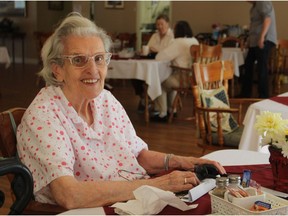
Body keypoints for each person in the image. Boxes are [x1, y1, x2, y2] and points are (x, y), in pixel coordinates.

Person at [16, 13, 225, 209]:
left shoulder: (105, 100)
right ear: (57, 69)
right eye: (79, 60)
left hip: (130, 199)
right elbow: (68, 195)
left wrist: (181, 161)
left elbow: (139, 155)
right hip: (92, 209)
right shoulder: (45, 115)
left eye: (99, 58)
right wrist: (160, 184)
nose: (93, 70)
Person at [150, 21, 199, 122]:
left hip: (184, 78)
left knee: (160, 82)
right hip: (196, 78)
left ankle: (162, 113)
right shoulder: (194, 40)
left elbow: (160, 57)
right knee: (170, 81)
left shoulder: (179, 42)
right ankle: (172, 109)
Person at [132, 14, 174, 113]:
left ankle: (152, 103)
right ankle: (143, 97)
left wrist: (157, 50)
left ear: (167, 24)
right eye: (158, 24)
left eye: (162, 24)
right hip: (152, 63)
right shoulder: (155, 35)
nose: (159, 27)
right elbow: (149, 48)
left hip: (166, 66)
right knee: (136, 75)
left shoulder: (172, 36)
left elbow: (168, 53)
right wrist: (143, 51)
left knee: (150, 76)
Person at [240, 1, 277, 98]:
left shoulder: (262, 1)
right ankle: (245, 93)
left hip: (264, 39)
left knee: (261, 68)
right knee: (248, 65)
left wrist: (262, 37)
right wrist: (248, 41)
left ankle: (263, 96)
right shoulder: (254, 7)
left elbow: (267, 19)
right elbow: (253, 26)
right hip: (255, 41)